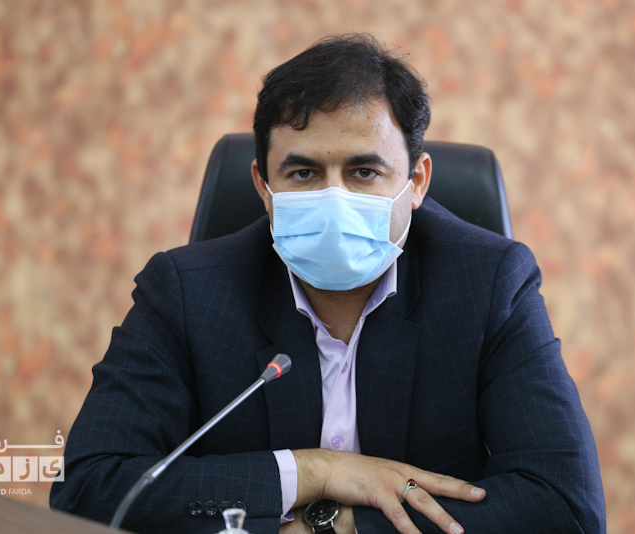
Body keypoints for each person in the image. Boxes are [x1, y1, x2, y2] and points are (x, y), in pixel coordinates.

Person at [51, 33, 606, 534]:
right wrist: (314, 471)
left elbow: (567, 506)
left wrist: (339, 527)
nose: (334, 197)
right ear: (263, 186)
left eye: (364, 172)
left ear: (416, 182)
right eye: (304, 173)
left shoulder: (488, 284)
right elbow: (90, 489)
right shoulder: (187, 292)